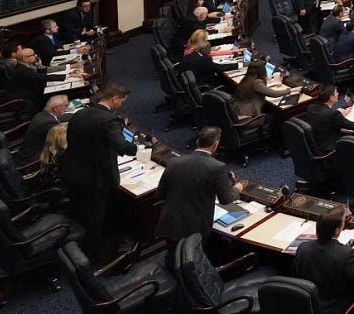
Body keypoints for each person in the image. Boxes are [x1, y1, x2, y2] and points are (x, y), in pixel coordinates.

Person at [61, 84, 136, 254]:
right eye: (121, 101)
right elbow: (121, 145)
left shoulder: (80, 113)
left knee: (79, 210)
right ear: (114, 99)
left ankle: (76, 243)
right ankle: (92, 253)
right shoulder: (110, 120)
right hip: (94, 178)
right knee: (95, 216)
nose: (121, 105)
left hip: (71, 170)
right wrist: (135, 148)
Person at [155, 126, 239, 258]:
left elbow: (160, 194)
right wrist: (237, 189)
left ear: (197, 142)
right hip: (194, 230)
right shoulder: (218, 167)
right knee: (193, 263)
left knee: (173, 259)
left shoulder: (174, 161)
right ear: (215, 144)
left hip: (169, 224)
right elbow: (226, 199)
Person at [306, 85, 354, 151]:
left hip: (316, 143)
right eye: (336, 92)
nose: (338, 93)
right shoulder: (332, 114)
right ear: (331, 97)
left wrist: (342, 114)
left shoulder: (311, 107)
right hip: (329, 148)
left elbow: (325, 120)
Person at [20, 95, 68, 164]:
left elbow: (59, 120)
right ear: (56, 108)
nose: (66, 108)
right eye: (65, 106)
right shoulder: (48, 123)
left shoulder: (42, 115)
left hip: (26, 152)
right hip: (34, 160)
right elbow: (62, 138)